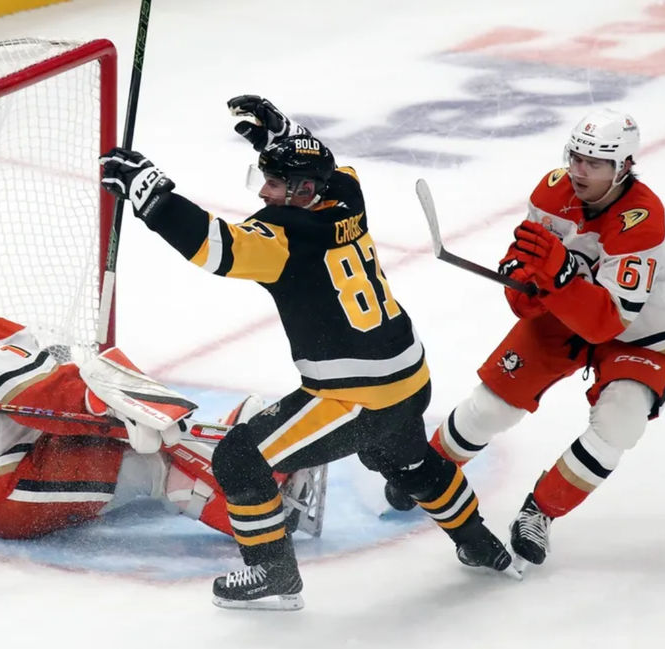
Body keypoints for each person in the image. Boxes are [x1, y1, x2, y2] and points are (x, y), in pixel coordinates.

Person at [100, 95, 515, 611]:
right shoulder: (347, 196)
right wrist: (282, 134)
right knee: (407, 461)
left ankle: (272, 572)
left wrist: (151, 197)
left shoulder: (282, 237)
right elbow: (333, 165)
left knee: (240, 456)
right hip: (409, 376)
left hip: (354, 398)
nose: (265, 192)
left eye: (275, 183)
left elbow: (215, 246)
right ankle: (481, 544)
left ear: (303, 191)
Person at [389, 108, 665, 570]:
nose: (579, 170)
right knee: (493, 403)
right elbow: (529, 262)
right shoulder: (553, 190)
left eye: (595, 163)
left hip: (642, 335)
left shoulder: (643, 223)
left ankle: (540, 512)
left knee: (621, 422)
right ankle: (431, 469)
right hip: (571, 305)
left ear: (625, 167)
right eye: (576, 156)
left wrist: (558, 276)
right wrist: (524, 281)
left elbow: (607, 322)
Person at [0, 249, 293, 540]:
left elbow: (2, 407)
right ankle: (264, 515)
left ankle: (228, 449)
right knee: (157, 466)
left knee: (129, 436)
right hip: (9, 493)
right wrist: (100, 402)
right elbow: (38, 395)